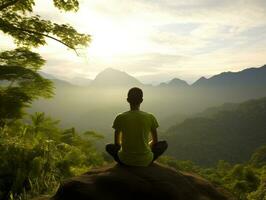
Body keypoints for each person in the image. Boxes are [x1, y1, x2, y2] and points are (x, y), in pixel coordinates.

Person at [106, 87, 168, 166]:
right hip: (146, 160)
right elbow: (155, 141)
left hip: (125, 160)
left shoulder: (120, 117)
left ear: (127, 100)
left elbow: (117, 143)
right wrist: (147, 145)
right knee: (163, 144)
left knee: (109, 147)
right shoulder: (150, 117)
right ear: (141, 100)